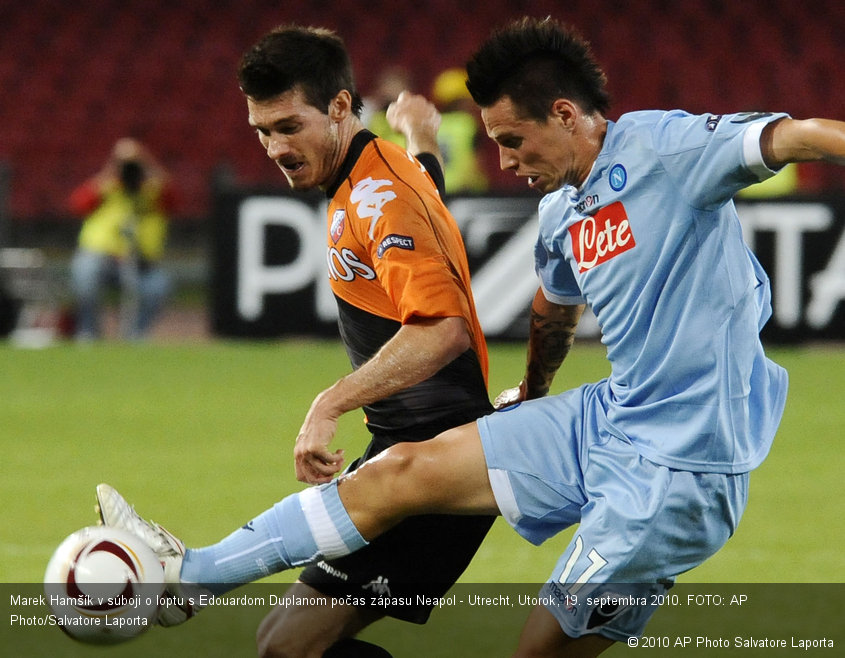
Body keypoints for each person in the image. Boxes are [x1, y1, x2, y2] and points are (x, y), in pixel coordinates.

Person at [96, 16, 845, 657]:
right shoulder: (559, 212)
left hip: (682, 464)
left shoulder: (668, 151)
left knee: (541, 648)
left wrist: (331, 400)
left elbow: (798, 136)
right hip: (609, 419)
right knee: (396, 473)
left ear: (565, 114)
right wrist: (536, 393)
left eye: (513, 141)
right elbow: (554, 312)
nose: (505, 162)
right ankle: (185, 576)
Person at [103, 25, 494, 657]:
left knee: (289, 648)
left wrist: (330, 401)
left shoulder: (377, 195)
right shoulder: (379, 171)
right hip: (405, 444)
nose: (274, 148)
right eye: (262, 130)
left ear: (340, 106)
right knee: (287, 644)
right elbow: (427, 182)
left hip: (434, 466)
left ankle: (183, 575)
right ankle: (183, 577)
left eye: (289, 126)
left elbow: (443, 328)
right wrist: (421, 132)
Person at [68, 138, 174, 340]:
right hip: (102, 257)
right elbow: (78, 203)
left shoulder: (153, 190)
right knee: (85, 274)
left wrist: (144, 160)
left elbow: (173, 197)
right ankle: (89, 333)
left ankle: (135, 336)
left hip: (142, 262)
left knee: (158, 287)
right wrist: (113, 167)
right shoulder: (107, 186)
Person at [430, 67, 489, 194]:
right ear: (459, 101)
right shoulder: (466, 123)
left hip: (435, 189)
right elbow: (478, 163)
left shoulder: (428, 124)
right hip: (465, 190)